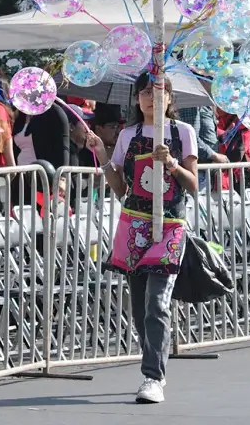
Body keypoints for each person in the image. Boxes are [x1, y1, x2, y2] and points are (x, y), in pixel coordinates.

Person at [90, 71, 199, 405]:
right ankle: (151, 359)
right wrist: (104, 156)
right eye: (145, 93)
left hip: (169, 225)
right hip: (133, 224)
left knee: (156, 301)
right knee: (139, 306)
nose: (152, 98)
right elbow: (122, 189)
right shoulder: (128, 134)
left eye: (159, 91)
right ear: (137, 99)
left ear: (170, 97)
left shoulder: (183, 133)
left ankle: (154, 376)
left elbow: (194, 185)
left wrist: (172, 164)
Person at [178, 101, 229, 190]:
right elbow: (191, 138)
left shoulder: (204, 103)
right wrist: (214, 155)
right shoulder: (192, 102)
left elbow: (201, 134)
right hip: (197, 171)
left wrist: (220, 137)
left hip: (204, 171)